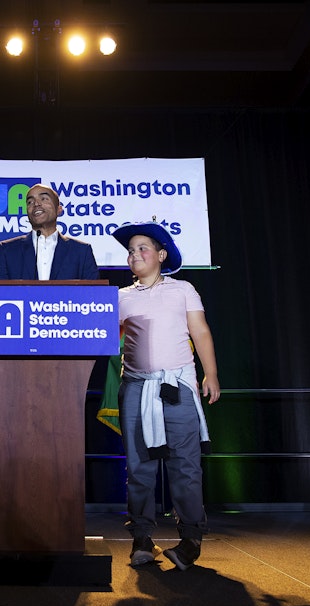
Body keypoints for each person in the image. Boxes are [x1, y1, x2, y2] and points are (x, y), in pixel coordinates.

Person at [111, 220, 221, 571]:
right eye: (130, 250)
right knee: (139, 467)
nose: (134, 254)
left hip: (177, 386)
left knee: (185, 466)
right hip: (135, 388)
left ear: (161, 254)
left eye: (142, 248)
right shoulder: (120, 297)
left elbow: (200, 331)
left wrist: (211, 374)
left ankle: (190, 540)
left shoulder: (183, 289)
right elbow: (103, 338)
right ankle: (142, 538)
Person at [0, 183, 99, 280]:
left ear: (58, 209)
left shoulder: (81, 251)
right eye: (30, 202)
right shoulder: (6, 250)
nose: (36, 204)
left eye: (44, 199)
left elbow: (94, 295)